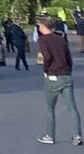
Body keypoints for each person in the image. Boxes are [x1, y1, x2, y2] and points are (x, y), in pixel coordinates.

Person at [33, 12, 82, 146]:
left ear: (43, 26)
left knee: (49, 107)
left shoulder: (43, 40)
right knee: (72, 107)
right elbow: (69, 58)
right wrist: (68, 71)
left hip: (53, 76)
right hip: (66, 75)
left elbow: (47, 57)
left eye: (39, 26)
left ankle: (50, 135)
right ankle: (77, 135)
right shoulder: (61, 39)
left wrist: (46, 71)